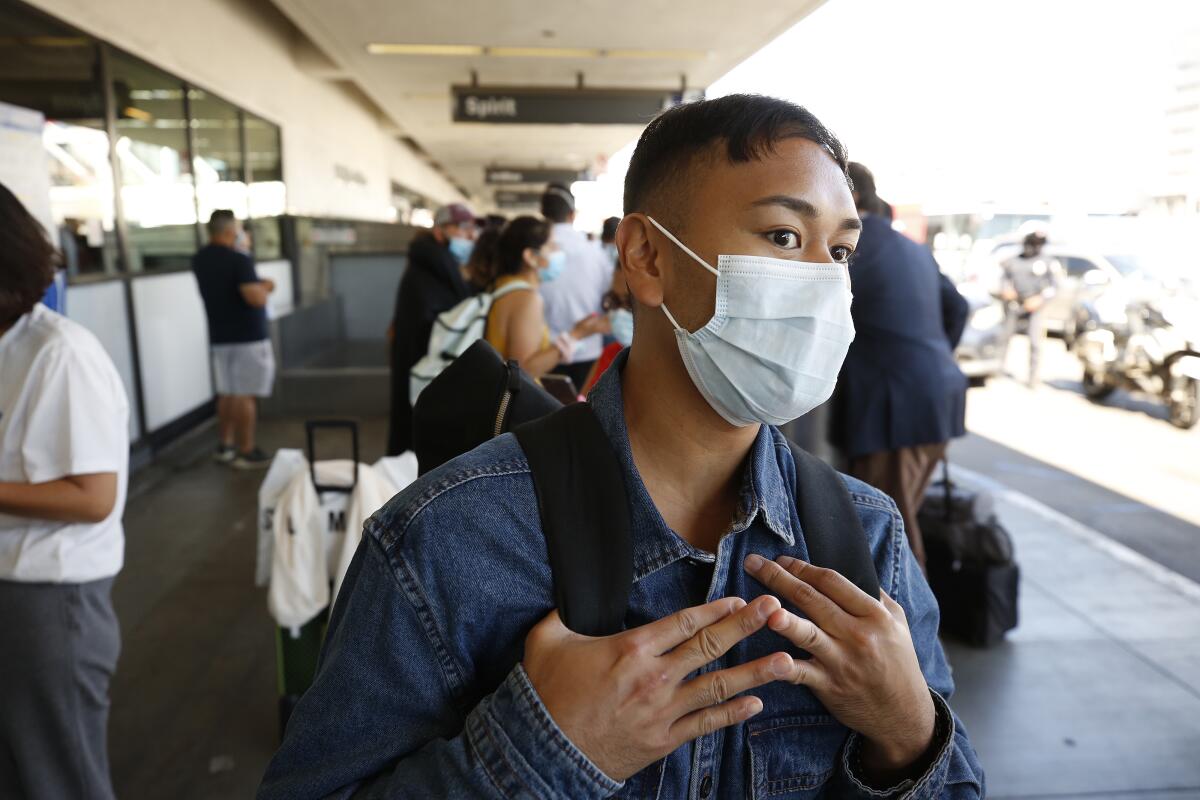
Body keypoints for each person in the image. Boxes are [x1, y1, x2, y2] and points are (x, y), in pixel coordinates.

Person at [259, 94, 983, 799]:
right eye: (784, 237)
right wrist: (537, 754)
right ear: (646, 255)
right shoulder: (453, 538)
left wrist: (907, 729)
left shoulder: (868, 537)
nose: (825, 282)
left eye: (842, 251)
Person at [0, 182, 129, 800]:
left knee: (59, 777)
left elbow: (92, 498)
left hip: (48, 600)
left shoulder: (59, 354)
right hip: (12, 586)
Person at [830, 163, 969, 568]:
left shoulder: (851, 248)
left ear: (851, 199)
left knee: (887, 532)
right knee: (896, 520)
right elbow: (957, 307)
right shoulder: (910, 246)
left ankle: (913, 627)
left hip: (895, 407)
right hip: (938, 393)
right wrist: (934, 354)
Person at [386, 203, 477, 455]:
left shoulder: (434, 265)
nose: (471, 235)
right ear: (440, 232)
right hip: (424, 377)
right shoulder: (432, 269)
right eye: (462, 228)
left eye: (472, 228)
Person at [193, 209, 276, 469]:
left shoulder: (200, 259)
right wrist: (267, 287)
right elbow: (255, 297)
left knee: (228, 392)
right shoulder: (239, 259)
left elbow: (233, 285)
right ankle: (246, 450)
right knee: (245, 395)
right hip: (247, 338)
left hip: (220, 336)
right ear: (231, 231)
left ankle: (225, 445)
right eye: (239, 228)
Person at [483, 216, 609, 379]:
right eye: (552, 246)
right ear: (530, 256)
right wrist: (576, 335)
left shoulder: (502, 285)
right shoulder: (527, 299)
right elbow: (522, 372)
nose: (559, 252)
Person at [538, 183, 613, 390]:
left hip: (541, 355)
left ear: (543, 213)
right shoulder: (596, 253)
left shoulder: (533, 251)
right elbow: (610, 296)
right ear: (572, 214)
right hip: (587, 351)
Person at [999, 230, 1060, 387]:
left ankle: (1032, 377)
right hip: (1015, 303)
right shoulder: (1013, 260)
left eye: (1038, 244)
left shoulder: (1047, 262)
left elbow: (1054, 286)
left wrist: (1040, 299)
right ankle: (998, 368)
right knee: (1005, 337)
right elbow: (1004, 278)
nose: (1034, 248)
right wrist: (1006, 290)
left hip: (1034, 305)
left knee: (1035, 342)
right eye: (1032, 244)